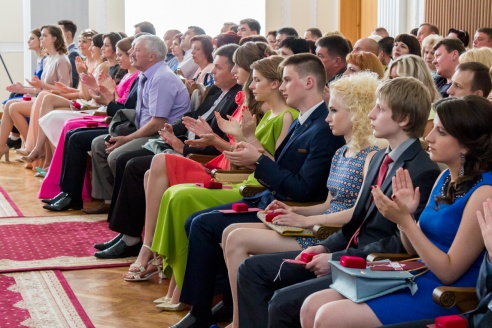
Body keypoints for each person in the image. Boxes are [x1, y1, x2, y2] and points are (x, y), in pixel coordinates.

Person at [236, 77, 441, 328]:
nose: (371, 114)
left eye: (380, 108)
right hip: (346, 252)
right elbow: (356, 219)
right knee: (251, 270)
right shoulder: (379, 159)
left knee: (283, 302)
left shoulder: (421, 171)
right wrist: (325, 247)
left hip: (370, 264)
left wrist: (336, 257)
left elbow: (399, 245)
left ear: (404, 119)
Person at [171, 53, 345, 328]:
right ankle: (222, 303)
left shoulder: (323, 126)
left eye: (287, 80)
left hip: (289, 207)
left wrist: (259, 160)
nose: (283, 86)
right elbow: (283, 168)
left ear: (309, 82)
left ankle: (203, 312)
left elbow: (304, 188)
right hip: (272, 198)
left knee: (204, 225)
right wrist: (255, 154)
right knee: (197, 221)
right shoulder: (304, 120)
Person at [301, 95, 492, 327]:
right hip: (416, 274)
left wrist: (406, 222)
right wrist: (405, 217)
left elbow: (449, 271)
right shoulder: (444, 177)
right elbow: (413, 247)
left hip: (446, 293)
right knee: (311, 306)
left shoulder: (484, 192)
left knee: (328, 317)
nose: (428, 137)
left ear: (467, 144)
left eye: (441, 132)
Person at [221, 71, 380, 328]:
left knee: (237, 238)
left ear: (357, 112)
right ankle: (240, 318)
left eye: (335, 111)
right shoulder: (341, 151)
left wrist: (305, 220)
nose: (328, 118)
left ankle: (240, 321)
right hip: (320, 223)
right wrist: (293, 210)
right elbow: (329, 203)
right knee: (231, 232)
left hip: (328, 232)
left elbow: (356, 213)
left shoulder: (371, 155)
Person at [83, 35, 190, 214]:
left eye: (137, 50)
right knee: (99, 144)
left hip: (161, 136)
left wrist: (127, 138)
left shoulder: (161, 78)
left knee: (116, 156)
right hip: (144, 130)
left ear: (151, 56)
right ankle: (112, 201)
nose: (131, 53)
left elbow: (157, 124)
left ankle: (128, 206)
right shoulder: (146, 75)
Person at [0, 25, 71, 162]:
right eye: (41, 35)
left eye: (44, 36)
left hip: (54, 100)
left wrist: (41, 86)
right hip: (43, 97)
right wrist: (23, 89)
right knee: (9, 103)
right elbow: (41, 89)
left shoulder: (62, 59)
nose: (41, 38)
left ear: (54, 38)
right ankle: (6, 145)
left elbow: (65, 89)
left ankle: (31, 147)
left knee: (13, 107)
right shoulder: (49, 59)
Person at [58, 20, 81, 88]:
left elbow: (73, 80)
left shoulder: (73, 53)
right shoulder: (66, 52)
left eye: (59, 32)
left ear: (68, 34)